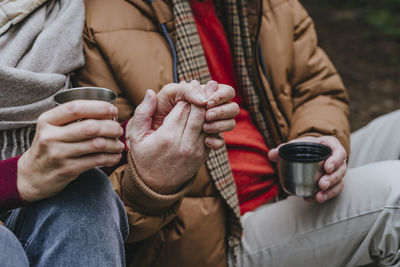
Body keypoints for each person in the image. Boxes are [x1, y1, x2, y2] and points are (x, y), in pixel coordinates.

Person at [76, 0, 400, 266]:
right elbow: (97, 207)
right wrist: (152, 181)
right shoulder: (97, 21)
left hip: (286, 178)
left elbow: (314, 87)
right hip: (217, 239)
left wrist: (316, 138)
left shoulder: (267, 5)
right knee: (394, 196)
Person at [0, 1, 237, 265]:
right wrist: (20, 176)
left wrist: (136, 133)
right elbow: (35, 171)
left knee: (87, 193)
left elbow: (56, 164)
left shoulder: (62, 10)